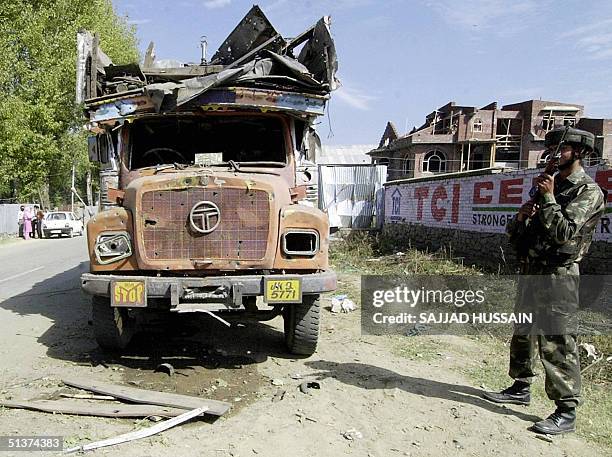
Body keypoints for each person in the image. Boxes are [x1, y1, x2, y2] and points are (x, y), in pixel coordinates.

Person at [482, 127, 606, 435]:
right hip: (532, 270)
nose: (553, 153)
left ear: (579, 153)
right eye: (550, 147)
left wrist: (548, 198)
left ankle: (566, 410)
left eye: (560, 148)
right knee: (523, 331)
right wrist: (522, 217)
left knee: (558, 339)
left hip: (559, 275)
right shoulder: (550, 186)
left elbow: (564, 232)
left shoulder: (587, 191)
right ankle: (521, 386)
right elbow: (518, 233)